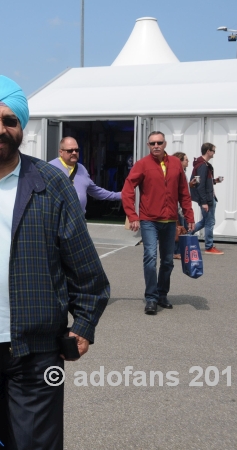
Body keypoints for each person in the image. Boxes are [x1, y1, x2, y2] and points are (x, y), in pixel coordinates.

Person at [0, 76, 110, 450]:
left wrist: (83, 326)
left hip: (37, 353)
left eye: (9, 120)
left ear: (22, 127)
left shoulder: (50, 183)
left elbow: (87, 269)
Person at [122, 131, 194, 315]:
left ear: (165, 144)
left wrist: (189, 217)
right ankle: (151, 298)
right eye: (152, 143)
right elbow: (128, 189)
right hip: (149, 220)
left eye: (159, 142)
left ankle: (162, 294)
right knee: (151, 258)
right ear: (148, 145)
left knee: (168, 261)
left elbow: (184, 193)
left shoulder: (176, 164)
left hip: (170, 221)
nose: (156, 146)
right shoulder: (142, 164)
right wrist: (133, 215)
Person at [48, 136, 121, 213]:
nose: (74, 153)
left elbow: (95, 191)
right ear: (61, 152)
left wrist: (119, 195)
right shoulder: (50, 168)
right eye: (70, 150)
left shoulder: (81, 169)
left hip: (79, 219)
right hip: (57, 220)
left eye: (77, 150)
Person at [189, 143, 224, 255]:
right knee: (210, 222)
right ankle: (209, 246)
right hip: (207, 199)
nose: (214, 153)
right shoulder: (203, 166)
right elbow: (200, 185)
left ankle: (186, 234)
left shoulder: (203, 164)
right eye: (213, 151)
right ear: (208, 151)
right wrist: (204, 202)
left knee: (205, 221)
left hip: (209, 198)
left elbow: (204, 182)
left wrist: (215, 181)